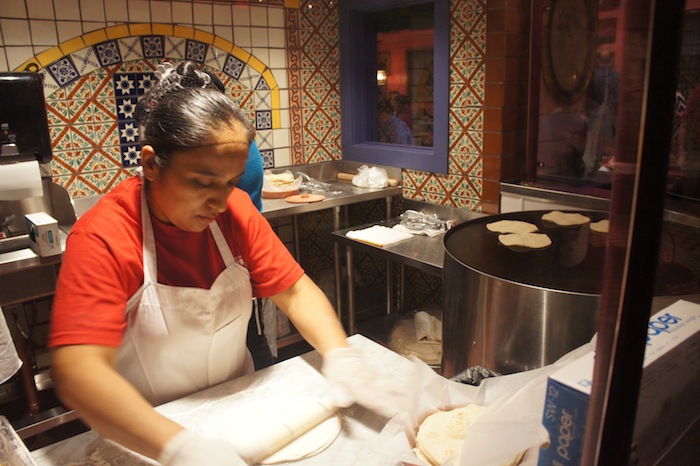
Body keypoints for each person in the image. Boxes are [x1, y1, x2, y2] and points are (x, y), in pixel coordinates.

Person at [49, 61, 406, 466]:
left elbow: (295, 290)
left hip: (240, 410)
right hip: (144, 432)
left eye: (231, 183)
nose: (219, 202)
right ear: (150, 164)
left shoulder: (232, 212)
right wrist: (183, 449)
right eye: (202, 183)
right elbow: (79, 372)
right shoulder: (103, 236)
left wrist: (339, 354)